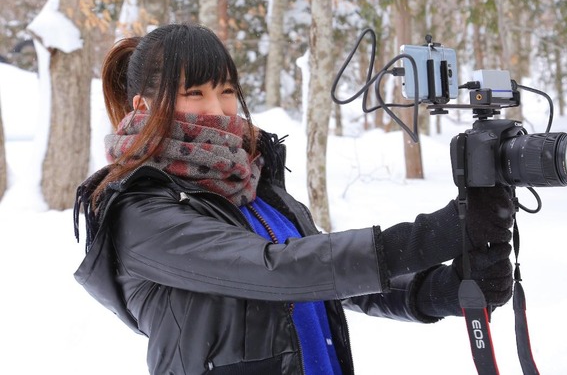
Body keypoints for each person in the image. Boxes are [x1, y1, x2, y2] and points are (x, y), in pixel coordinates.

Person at [73, 23, 515, 375]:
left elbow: (322, 281)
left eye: (226, 90)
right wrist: (436, 234)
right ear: (145, 106)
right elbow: (276, 268)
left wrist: (432, 292)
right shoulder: (141, 209)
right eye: (195, 93)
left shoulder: (247, 184)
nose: (220, 107)